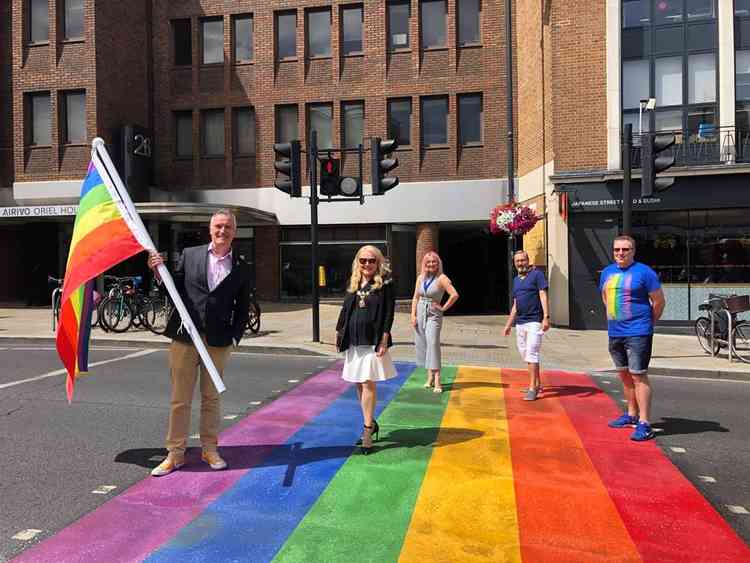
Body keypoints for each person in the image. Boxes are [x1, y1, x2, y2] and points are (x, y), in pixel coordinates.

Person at [147, 209, 251, 475]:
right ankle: (175, 453)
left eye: (227, 227)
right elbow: (175, 290)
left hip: (218, 341)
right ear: (210, 229)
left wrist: (234, 338)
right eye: (218, 226)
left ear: (234, 232)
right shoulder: (190, 255)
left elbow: (242, 307)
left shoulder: (240, 266)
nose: (222, 231)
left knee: (211, 398)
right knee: (180, 398)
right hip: (185, 337)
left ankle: (209, 448)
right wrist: (160, 275)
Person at [600, 235, 665, 442]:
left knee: (638, 376)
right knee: (625, 376)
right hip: (615, 331)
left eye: (625, 249)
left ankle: (645, 423)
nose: (620, 253)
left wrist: (647, 323)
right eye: (617, 249)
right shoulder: (608, 272)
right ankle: (631, 415)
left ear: (633, 251)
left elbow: (659, 301)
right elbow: (605, 297)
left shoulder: (645, 272)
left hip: (638, 332)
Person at [335, 245, 396, 455]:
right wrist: (339, 332)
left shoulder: (385, 283)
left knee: (367, 383)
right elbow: (346, 309)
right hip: (354, 340)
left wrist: (385, 338)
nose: (367, 264)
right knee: (359, 384)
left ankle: (368, 430)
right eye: (363, 260)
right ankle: (369, 421)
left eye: (371, 260)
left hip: (373, 340)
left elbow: (389, 312)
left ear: (378, 262)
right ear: (357, 262)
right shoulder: (353, 281)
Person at [503, 250, 550, 401]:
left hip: (534, 321)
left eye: (523, 260)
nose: (520, 263)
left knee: (531, 353)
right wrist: (509, 324)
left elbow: (543, 295)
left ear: (528, 260)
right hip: (520, 323)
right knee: (524, 353)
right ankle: (537, 383)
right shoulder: (516, 280)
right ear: (514, 263)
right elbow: (516, 305)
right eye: (518, 261)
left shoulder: (537, 275)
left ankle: (532, 387)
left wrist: (546, 317)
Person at [410, 251, 459, 393]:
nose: (431, 264)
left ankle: (437, 379)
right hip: (420, 312)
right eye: (428, 262)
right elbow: (415, 297)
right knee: (423, 343)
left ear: (438, 264)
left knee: (433, 344)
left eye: (434, 262)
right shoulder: (421, 277)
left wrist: (443, 307)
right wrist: (413, 315)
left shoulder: (442, 278)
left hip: (433, 314)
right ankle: (429, 377)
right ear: (424, 264)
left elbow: (454, 295)